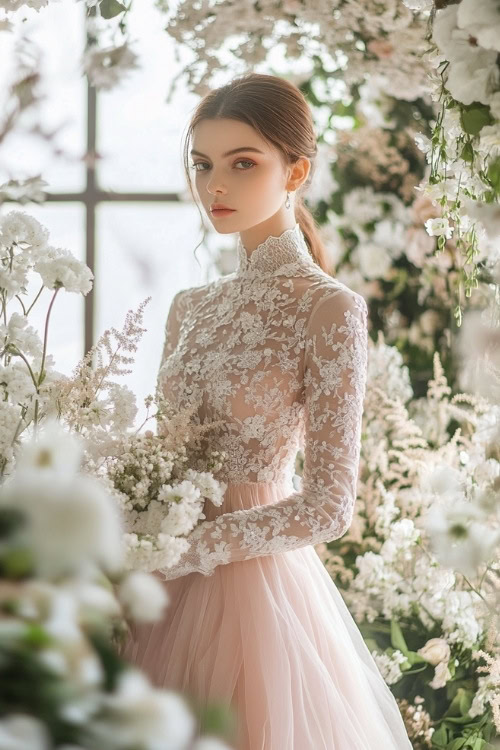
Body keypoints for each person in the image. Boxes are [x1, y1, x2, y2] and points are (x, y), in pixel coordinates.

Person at [121, 73, 413, 750]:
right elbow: (166, 454)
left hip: (255, 601)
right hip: (154, 586)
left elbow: (330, 506)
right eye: (202, 165)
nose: (214, 186)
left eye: (242, 163)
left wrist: (194, 550)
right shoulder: (188, 308)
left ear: (297, 170)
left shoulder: (330, 308)